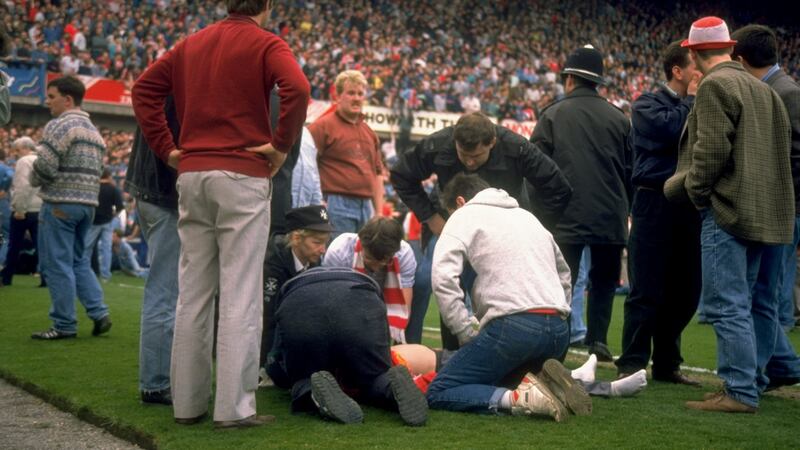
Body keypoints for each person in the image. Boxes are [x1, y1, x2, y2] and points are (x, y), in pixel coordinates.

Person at [131, 0, 310, 428]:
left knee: (192, 293)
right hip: (241, 174)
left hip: (192, 173)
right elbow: (298, 89)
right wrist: (282, 146)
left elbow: (143, 90)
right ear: (266, 5)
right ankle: (233, 408)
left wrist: (168, 148)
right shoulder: (266, 43)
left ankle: (187, 405)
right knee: (240, 293)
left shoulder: (191, 44)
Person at [664, 16, 793, 413]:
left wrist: (698, 194)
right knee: (753, 300)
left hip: (727, 209)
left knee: (727, 303)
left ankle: (738, 390)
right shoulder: (763, 89)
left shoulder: (716, 85)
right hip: (762, 209)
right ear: (729, 48)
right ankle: (749, 381)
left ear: (692, 51)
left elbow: (711, 152)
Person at [390, 111, 572, 347]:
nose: (470, 163)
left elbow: (559, 187)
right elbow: (401, 175)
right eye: (463, 155)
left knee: (499, 291)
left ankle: (504, 346)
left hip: (503, 231)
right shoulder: (437, 144)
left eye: (477, 156)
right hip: (451, 223)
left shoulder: (516, 147)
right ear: (454, 142)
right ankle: (425, 348)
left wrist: (532, 225)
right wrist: (431, 217)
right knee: (427, 279)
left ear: (492, 142)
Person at [427, 173, 588, 421]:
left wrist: (464, 330)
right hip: (557, 331)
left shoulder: (463, 215)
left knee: (440, 390)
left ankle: (517, 399)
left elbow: (442, 277)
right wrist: (562, 309)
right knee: (508, 379)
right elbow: (564, 272)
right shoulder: (528, 217)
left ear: (459, 202)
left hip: (512, 329)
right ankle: (547, 384)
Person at [529, 44, 632, 362]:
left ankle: (557, 343)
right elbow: (632, 170)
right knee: (604, 281)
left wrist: (543, 216)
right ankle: (598, 342)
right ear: (597, 82)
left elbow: (535, 171)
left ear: (570, 79)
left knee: (562, 281)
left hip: (564, 216)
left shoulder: (552, 115)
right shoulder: (619, 118)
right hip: (609, 214)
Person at [615, 41, 702, 386]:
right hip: (653, 202)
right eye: (696, 65)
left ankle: (667, 363)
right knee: (646, 286)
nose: (703, 70)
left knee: (686, 290)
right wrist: (693, 101)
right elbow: (670, 131)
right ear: (678, 72)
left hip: (689, 203)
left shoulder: (704, 104)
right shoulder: (646, 103)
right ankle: (633, 361)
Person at [267, 266, 428, 426]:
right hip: (362, 297)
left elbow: (275, 360)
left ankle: (310, 390)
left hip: (299, 304)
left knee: (303, 380)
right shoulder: (361, 278)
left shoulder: (287, 289)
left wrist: (289, 379)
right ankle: (390, 387)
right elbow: (382, 344)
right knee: (375, 377)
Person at [730, 24, 800, 391]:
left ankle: (754, 373)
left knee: (763, 292)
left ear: (740, 59)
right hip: (779, 208)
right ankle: (785, 364)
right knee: (761, 292)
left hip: (783, 210)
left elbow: (796, 158)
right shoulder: (777, 90)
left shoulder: (785, 93)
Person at [30, 76, 112, 340]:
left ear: (67, 99)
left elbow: (44, 167)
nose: (48, 102)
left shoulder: (59, 125)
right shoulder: (94, 132)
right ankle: (99, 313)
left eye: (51, 96)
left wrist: (33, 178)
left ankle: (64, 324)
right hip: (87, 205)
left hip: (60, 203)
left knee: (57, 264)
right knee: (78, 262)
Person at [124, 96, 181, 406]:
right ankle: (156, 383)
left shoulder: (157, 90)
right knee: (166, 291)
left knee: (166, 289)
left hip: (149, 194)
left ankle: (160, 377)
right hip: (163, 198)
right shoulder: (175, 93)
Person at [309, 70, 383, 239]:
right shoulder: (321, 127)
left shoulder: (370, 133)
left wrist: (379, 211)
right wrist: (316, 201)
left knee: (362, 261)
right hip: (336, 203)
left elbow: (378, 174)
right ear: (338, 96)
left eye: (360, 93)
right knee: (338, 261)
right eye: (350, 93)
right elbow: (306, 167)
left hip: (367, 206)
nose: (356, 98)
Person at [261, 205, 332, 377]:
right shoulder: (272, 265)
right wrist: (264, 363)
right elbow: (267, 317)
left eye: (324, 243)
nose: (323, 250)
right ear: (296, 238)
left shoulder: (313, 261)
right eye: (316, 242)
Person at [322, 216, 416, 344]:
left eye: (384, 260)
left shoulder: (404, 254)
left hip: (382, 296)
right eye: (370, 259)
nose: (376, 266)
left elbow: (403, 308)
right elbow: (333, 300)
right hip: (346, 297)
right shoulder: (339, 251)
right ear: (361, 242)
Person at [1, 138, 41, 287]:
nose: (15, 154)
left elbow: (23, 186)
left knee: (14, 245)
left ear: (24, 148)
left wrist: (19, 209)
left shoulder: (24, 162)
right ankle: (44, 278)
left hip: (25, 209)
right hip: (40, 208)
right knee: (40, 245)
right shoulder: (41, 160)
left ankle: (7, 278)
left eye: (17, 150)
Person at [85, 169, 124, 281]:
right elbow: (120, 207)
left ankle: (84, 271)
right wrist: (112, 215)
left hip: (93, 221)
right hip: (107, 222)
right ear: (109, 176)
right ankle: (105, 275)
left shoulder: (93, 187)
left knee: (87, 248)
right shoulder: (113, 189)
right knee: (106, 249)